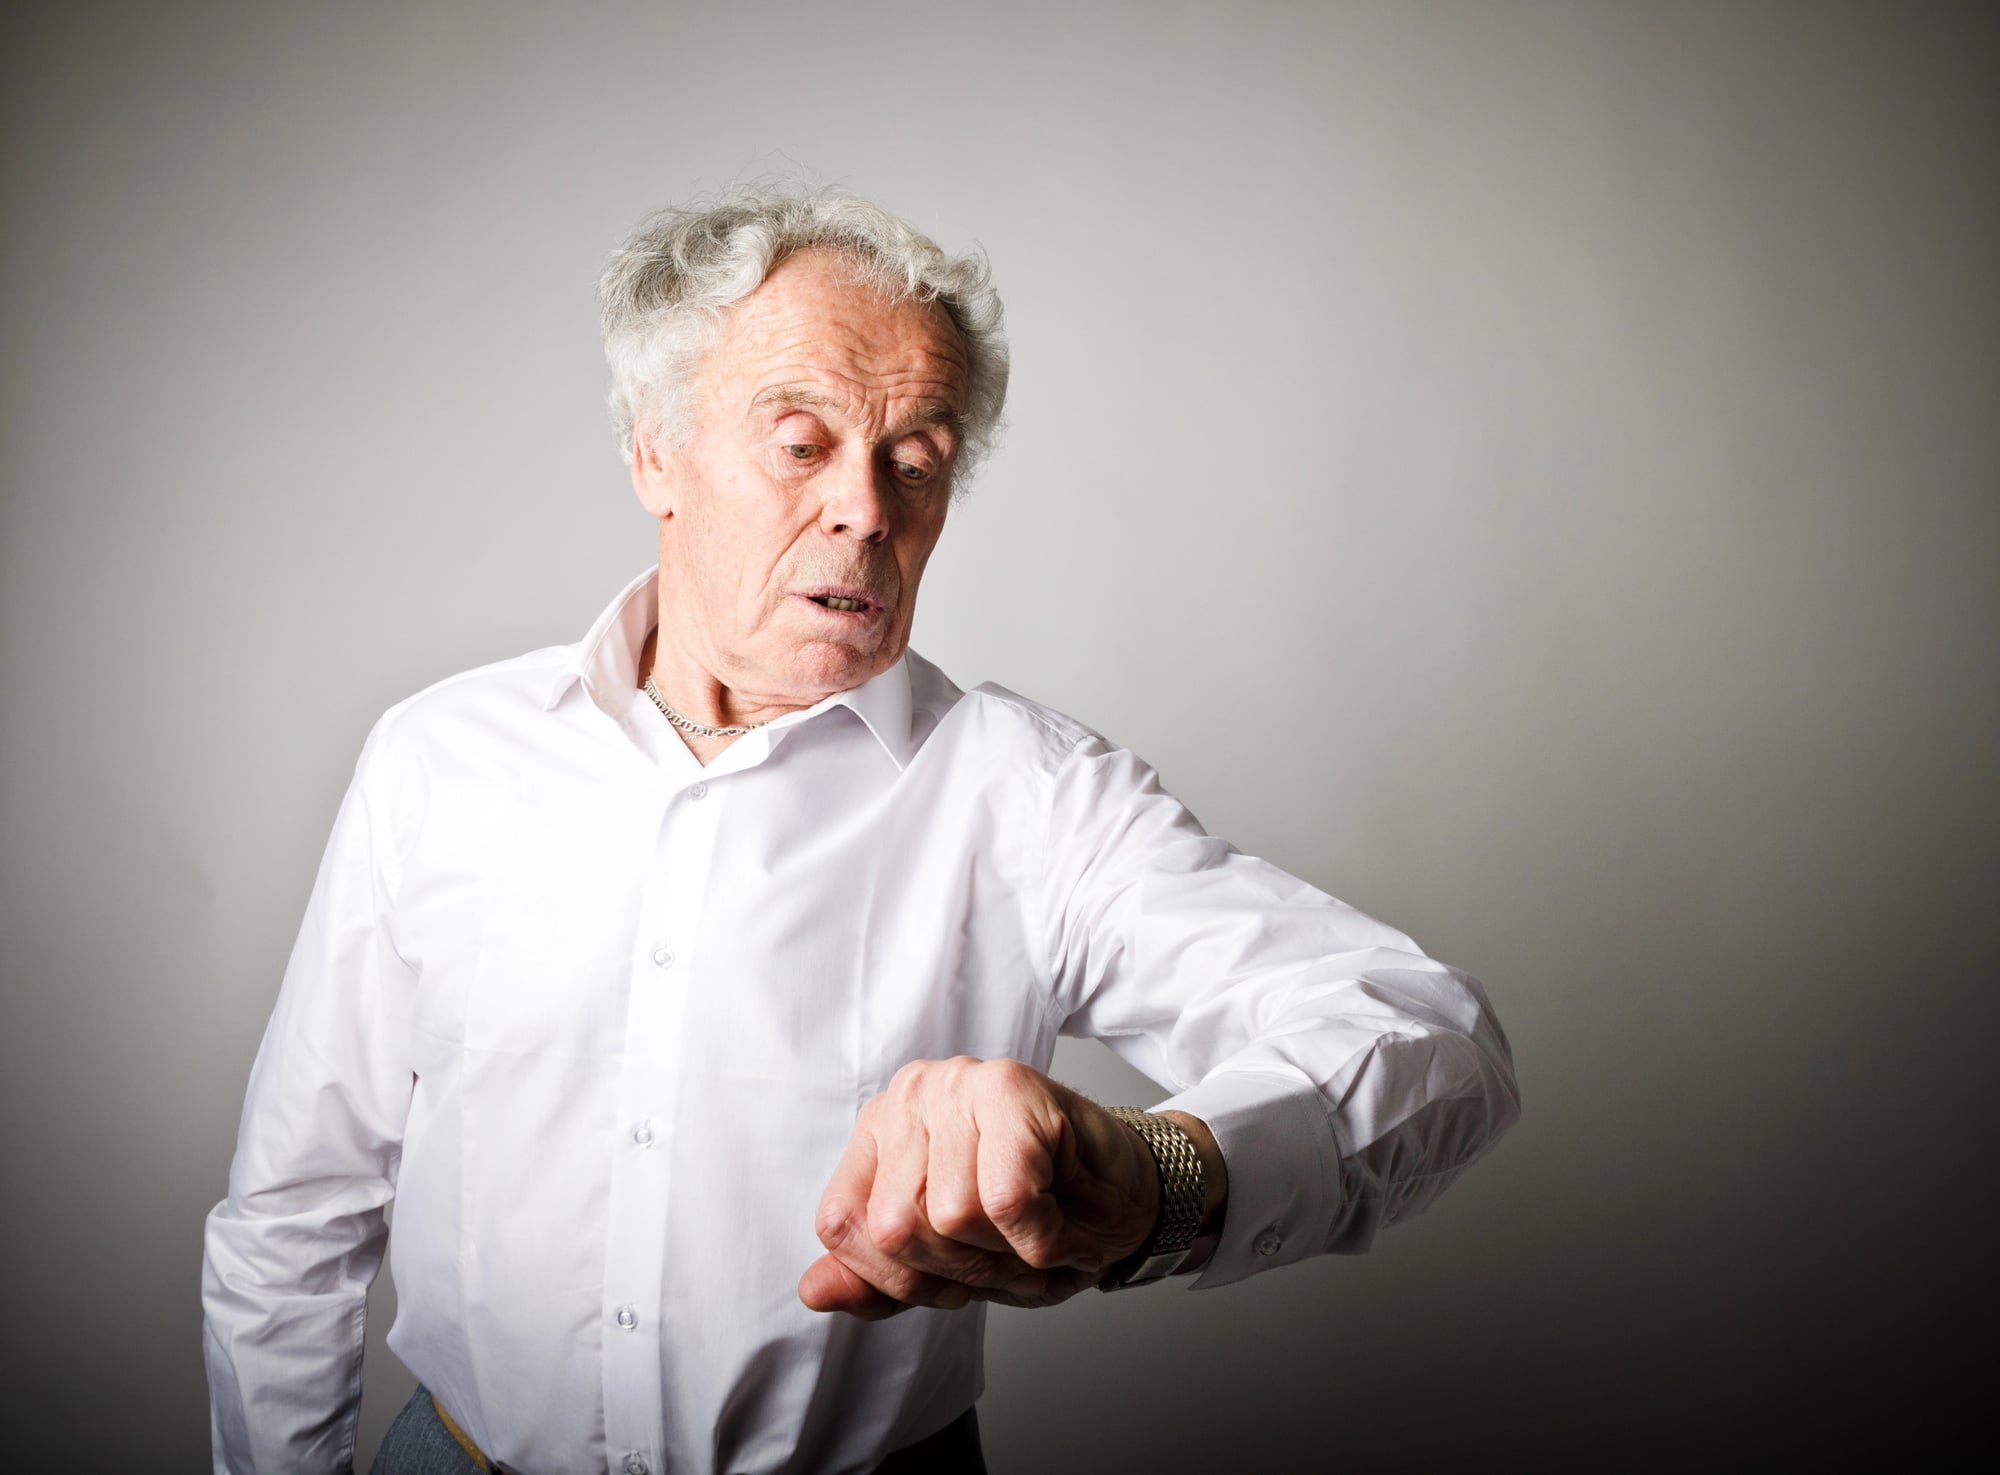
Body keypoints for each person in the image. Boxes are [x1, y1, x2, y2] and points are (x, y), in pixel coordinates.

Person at [201, 185, 1521, 1475]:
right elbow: (295, 1213)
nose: (867, 510)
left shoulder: (1029, 798)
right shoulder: (440, 761)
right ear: (656, 455)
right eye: (801, 442)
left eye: (916, 462)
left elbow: (1435, 1045)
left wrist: (1157, 1176)